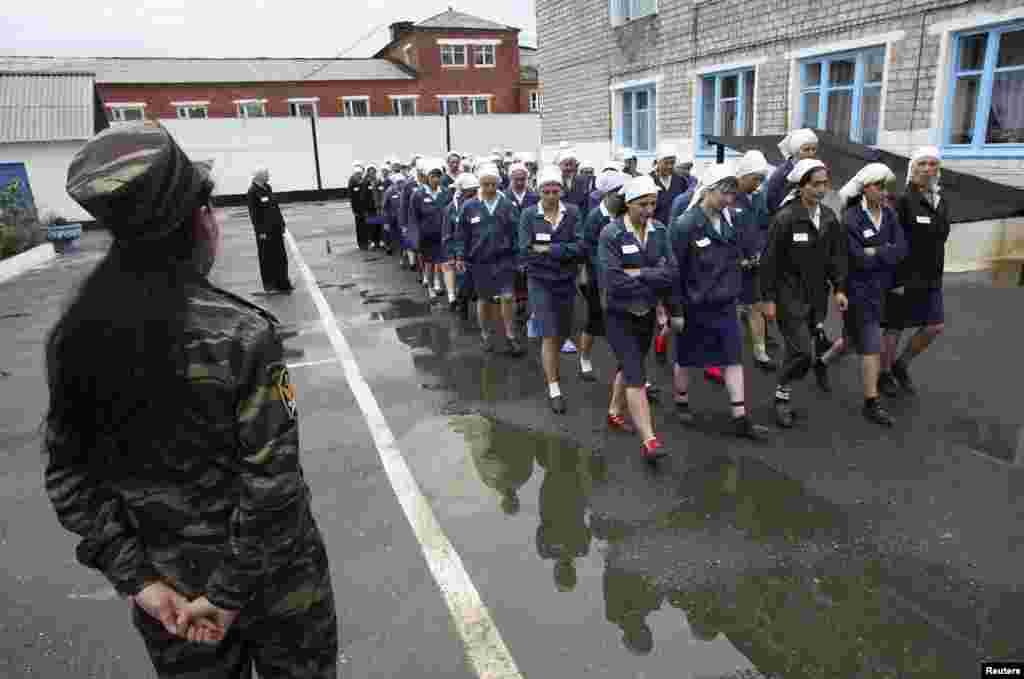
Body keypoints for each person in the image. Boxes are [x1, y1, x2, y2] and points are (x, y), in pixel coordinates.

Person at [46, 122, 337, 678]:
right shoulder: (240, 334)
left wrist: (141, 582)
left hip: (171, 599)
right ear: (197, 222)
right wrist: (228, 595)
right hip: (279, 590)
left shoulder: (79, 338)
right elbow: (271, 487)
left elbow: (69, 480)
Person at [669, 164, 764, 440]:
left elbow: (742, 253)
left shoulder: (730, 220)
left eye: (732, 194)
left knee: (733, 358)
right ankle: (682, 402)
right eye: (724, 193)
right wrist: (674, 310)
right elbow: (674, 270)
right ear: (708, 190)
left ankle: (740, 417)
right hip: (693, 306)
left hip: (724, 303)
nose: (729, 199)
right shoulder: (685, 225)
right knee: (686, 358)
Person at [760, 159, 849, 428]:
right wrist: (768, 299)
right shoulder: (786, 218)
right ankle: (781, 393)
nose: (821, 189)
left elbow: (836, 257)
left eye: (825, 183)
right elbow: (770, 261)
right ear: (801, 186)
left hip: (816, 297)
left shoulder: (830, 218)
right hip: (789, 294)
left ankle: (783, 393)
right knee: (803, 352)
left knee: (796, 349)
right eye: (815, 184)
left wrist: (840, 288)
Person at [817, 163, 906, 426]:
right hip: (857, 291)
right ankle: (871, 402)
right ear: (866, 189)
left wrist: (875, 251)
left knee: (852, 342)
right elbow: (856, 258)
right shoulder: (851, 219)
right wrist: (883, 251)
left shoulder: (889, 216)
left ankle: (821, 363)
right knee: (871, 344)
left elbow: (901, 248)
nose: (884, 192)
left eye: (886, 187)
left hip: (882, 289)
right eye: (879, 187)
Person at [599, 175, 676, 461]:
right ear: (628, 204)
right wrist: (655, 275)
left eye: (653, 203)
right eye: (643, 204)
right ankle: (650, 440)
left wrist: (640, 274)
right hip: (619, 313)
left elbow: (672, 273)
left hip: (646, 312)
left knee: (629, 363)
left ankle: (614, 411)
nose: (649, 210)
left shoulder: (660, 230)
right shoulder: (611, 234)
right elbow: (613, 280)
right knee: (635, 373)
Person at [879, 146, 950, 397]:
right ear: (913, 168)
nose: (928, 169)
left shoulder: (940, 201)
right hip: (903, 276)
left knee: (935, 325)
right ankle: (884, 373)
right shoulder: (902, 200)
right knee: (894, 327)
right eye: (923, 164)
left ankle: (901, 364)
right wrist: (894, 277)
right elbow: (890, 240)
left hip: (932, 276)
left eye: (933, 165)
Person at [519, 167, 583, 414]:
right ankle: (553, 386)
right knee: (548, 333)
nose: (550, 196)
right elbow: (526, 250)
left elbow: (580, 246)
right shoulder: (528, 216)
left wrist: (549, 250)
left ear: (561, 191)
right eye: (546, 191)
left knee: (562, 332)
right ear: (539, 192)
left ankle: (553, 370)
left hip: (566, 281)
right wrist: (560, 251)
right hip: (540, 282)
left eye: (555, 191)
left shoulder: (573, 213)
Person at [456, 164, 526, 357]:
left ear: (498, 184)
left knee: (508, 297)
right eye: (485, 184)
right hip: (480, 261)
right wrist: (460, 255)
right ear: (479, 184)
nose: (489, 188)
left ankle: (511, 336)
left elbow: (516, 234)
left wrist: (520, 258)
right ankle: (486, 335)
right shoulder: (469, 207)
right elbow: (461, 234)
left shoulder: (507, 205)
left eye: (493, 184)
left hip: (504, 260)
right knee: (484, 300)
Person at [577, 171, 627, 382]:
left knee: (625, 325)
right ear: (607, 194)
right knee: (595, 321)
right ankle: (584, 357)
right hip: (599, 280)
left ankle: (629, 369)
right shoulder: (594, 218)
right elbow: (587, 248)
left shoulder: (625, 212)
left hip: (623, 278)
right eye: (618, 193)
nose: (622, 197)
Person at [732, 150, 775, 371]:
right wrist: (736, 259)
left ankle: (760, 351)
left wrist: (760, 250)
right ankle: (727, 355)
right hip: (731, 265)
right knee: (732, 310)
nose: (758, 184)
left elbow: (763, 226)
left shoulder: (759, 197)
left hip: (753, 262)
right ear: (742, 176)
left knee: (756, 306)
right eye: (755, 179)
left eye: (761, 179)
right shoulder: (729, 196)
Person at [409, 158, 451, 298]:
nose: (436, 179)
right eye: (433, 176)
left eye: (438, 176)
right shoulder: (418, 194)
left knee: (442, 262)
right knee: (429, 264)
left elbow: (450, 213)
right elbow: (413, 218)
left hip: (443, 235)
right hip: (426, 236)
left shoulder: (446, 193)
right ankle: (431, 287)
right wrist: (414, 238)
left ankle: (440, 284)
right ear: (427, 177)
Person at [247, 167, 294, 293]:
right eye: (266, 174)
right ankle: (270, 285)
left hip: (276, 229)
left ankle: (283, 283)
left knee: (281, 257)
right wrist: (260, 232)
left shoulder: (267, 188)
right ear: (258, 176)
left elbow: (275, 208)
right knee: (267, 259)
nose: (268, 175)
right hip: (265, 232)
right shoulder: (253, 192)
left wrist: (282, 224)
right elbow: (254, 215)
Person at [443, 172, 478, 312]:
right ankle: (461, 303)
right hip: (459, 252)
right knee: (463, 282)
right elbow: (447, 234)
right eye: (471, 192)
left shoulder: (478, 205)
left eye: (475, 190)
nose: (474, 194)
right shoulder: (451, 209)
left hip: (476, 250)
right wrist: (451, 255)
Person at [765, 129, 818, 215]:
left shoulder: (815, 170)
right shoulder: (781, 174)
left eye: (814, 149)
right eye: (806, 150)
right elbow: (772, 205)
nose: (811, 153)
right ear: (795, 150)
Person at [649, 143, 688, 228]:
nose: (670, 166)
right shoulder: (648, 181)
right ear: (658, 163)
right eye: (666, 163)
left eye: (672, 163)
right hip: (655, 229)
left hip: (676, 228)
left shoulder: (680, 180)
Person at [348, 162, 373, 250]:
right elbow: (352, 198)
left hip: (365, 208)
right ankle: (361, 243)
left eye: (360, 173)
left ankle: (366, 242)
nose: (359, 175)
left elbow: (367, 194)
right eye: (358, 174)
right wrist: (354, 210)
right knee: (359, 226)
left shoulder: (364, 181)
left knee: (366, 225)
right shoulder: (352, 181)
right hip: (358, 209)